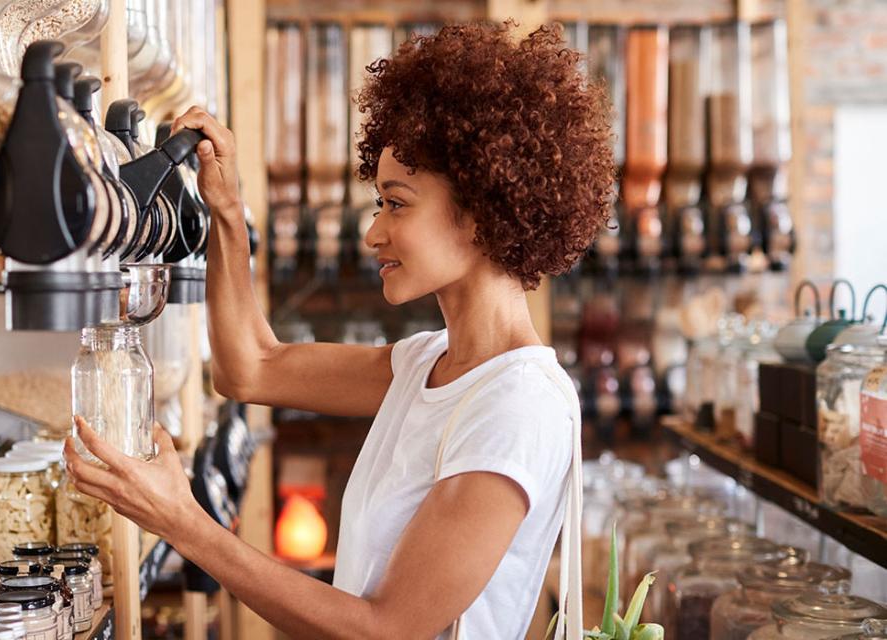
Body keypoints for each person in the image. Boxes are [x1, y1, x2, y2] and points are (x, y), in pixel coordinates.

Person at [64, 21, 614, 639]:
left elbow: (386, 630)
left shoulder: (516, 405)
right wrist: (225, 210)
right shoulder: (428, 365)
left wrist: (182, 523)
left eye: (397, 203)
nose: (373, 232)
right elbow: (251, 368)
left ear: (483, 212)